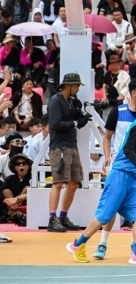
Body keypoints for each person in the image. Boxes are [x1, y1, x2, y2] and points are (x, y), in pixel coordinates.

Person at [65, 96, 136, 265]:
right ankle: (77, 245)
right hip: (120, 176)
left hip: (131, 179)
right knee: (104, 216)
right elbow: (128, 150)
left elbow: (134, 152)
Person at [94, 79, 136, 260]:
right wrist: (107, 156)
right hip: (120, 166)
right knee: (111, 207)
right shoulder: (118, 111)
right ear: (134, 93)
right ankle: (102, 243)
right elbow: (108, 136)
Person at [47, 73, 91, 233]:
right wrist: (75, 122)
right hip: (59, 146)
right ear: (69, 85)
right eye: (77, 85)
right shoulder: (55, 101)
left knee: (73, 183)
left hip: (72, 145)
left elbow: (76, 123)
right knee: (58, 183)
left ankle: (63, 216)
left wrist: (80, 115)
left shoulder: (71, 101)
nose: (78, 88)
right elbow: (55, 124)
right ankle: (52, 219)